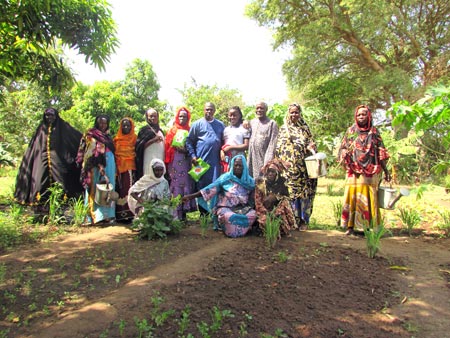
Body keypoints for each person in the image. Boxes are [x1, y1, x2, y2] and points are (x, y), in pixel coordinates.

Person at [14, 107, 83, 212]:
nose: (50, 118)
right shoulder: (41, 129)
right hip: (41, 160)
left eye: (52, 115)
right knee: (40, 181)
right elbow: (34, 146)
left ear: (56, 116)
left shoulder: (63, 127)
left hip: (58, 161)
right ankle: (41, 208)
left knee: (61, 182)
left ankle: (61, 207)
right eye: (47, 115)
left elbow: (76, 137)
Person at [338, 104, 391, 235]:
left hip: (370, 171)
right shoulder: (351, 131)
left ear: (369, 116)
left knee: (369, 197)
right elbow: (342, 147)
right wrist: (343, 153)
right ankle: (350, 227)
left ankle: (368, 227)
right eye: (358, 115)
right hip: (353, 171)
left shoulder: (374, 132)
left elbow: (381, 152)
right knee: (352, 197)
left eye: (364, 114)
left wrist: (386, 171)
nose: (361, 117)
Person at [182, 155, 256, 237]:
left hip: (243, 209)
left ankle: (241, 227)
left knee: (253, 214)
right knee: (229, 217)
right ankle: (239, 229)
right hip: (227, 209)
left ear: (244, 167)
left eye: (240, 166)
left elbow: (255, 197)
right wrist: (190, 197)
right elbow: (209, 189)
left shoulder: (250, 181)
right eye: (236, 165)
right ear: (232, 166)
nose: (238, 167)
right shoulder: (225, 179)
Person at [275, 103, 317, 231]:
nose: (294, 115)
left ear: (300, 113)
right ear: (288, 113)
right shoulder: (283, 129)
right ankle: (292, 221)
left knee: (304, 194)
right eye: (292, 112)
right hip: (288, 169)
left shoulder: (305, 129)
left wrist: (311, 148)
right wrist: (281, 162)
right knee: (290, 194)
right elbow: (278, 149)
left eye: (296, 112)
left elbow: (312, 144)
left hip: (303, 169)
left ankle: (303, 221)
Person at [185, 102, 225, 214]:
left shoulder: (220, 125)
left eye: (211, 110)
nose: (209, 112)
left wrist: (222, 149)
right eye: (207, 109)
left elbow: (224, 141)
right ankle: (203, 214)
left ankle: (214, 214)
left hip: (215, 163)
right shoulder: (197, 124)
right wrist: (193, 156)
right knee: (201, 187)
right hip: (200, 163)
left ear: (214, 111)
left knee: (214, 187)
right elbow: (189, 141)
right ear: (204, 110)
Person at [76, 115, 116, 225]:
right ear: (96, 123)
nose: (102, 125)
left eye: (105, 123)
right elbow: (90, 152)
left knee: (108, 188)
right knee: (95, 187)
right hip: (95, 166)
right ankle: (93, 217)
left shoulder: (107, 136)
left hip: (110, 163)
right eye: (100, 123)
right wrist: (100, 166)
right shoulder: (90, 134)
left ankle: (107, 216)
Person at [164, 107, 197, 221]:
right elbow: (167, 146)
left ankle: (184, 213)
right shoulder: (172, 130)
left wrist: (186, 151)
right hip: (175, 163)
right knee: (176, 186)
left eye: (185, 116)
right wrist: (176, 148)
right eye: (180, 116)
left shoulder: (190, 130)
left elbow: (193, 145)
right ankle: (175, 214)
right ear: (177, 117)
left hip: (186, 162)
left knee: (186, 185)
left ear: (188, 118)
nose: (182, 118)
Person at [255, 159, 297, 237]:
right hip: (263, 211)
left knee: (284, 202)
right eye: (269, 171)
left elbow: (286, 198)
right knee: (265, 222)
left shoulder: (282, 183)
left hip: (278, 211)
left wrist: (276, 198)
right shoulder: (261, 184)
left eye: (273, 172)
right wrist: (266, 212)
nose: (270, 174)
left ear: (277, 173)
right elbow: (258, 202)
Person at [113, 117, 137, 222]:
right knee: (120, 190)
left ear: (132, 127)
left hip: (130, 168)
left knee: (129, 189)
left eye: (128, 125)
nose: (126, 127)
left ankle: (130, 214)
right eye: (124, 125)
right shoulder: (116, 139)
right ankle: (120, 215)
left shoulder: (135, 138)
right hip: (118, 168)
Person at [247, 102, 279, 178]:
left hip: (263, 157)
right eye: (257, 108)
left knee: (262, 180)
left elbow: (272, 144)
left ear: (266, 110)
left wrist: (267, 163)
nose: (259, 110)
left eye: (261, 108)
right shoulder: (252, 122)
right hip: (252, 157)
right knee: (251, 179)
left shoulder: (272, 123)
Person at [135, 108, 165, 180]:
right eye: (151, 116)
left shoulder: (160, 131)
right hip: (148, 160)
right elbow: (139, 147)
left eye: (155, 116)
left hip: (160, 158)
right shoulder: (144, 130)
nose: (153, 118)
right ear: (147, 117)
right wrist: (153, 140)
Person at [221, 106, 250, 172]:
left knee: (238, 178)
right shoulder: (226, 129)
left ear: (239, 116)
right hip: (227, 159)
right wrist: (222, 151)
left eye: (234, 115)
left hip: (239, 158)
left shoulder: (244, 128)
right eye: (230, 115)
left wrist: (231, 147)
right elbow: (223, 145)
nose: (232, 117)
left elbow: (246, 146)